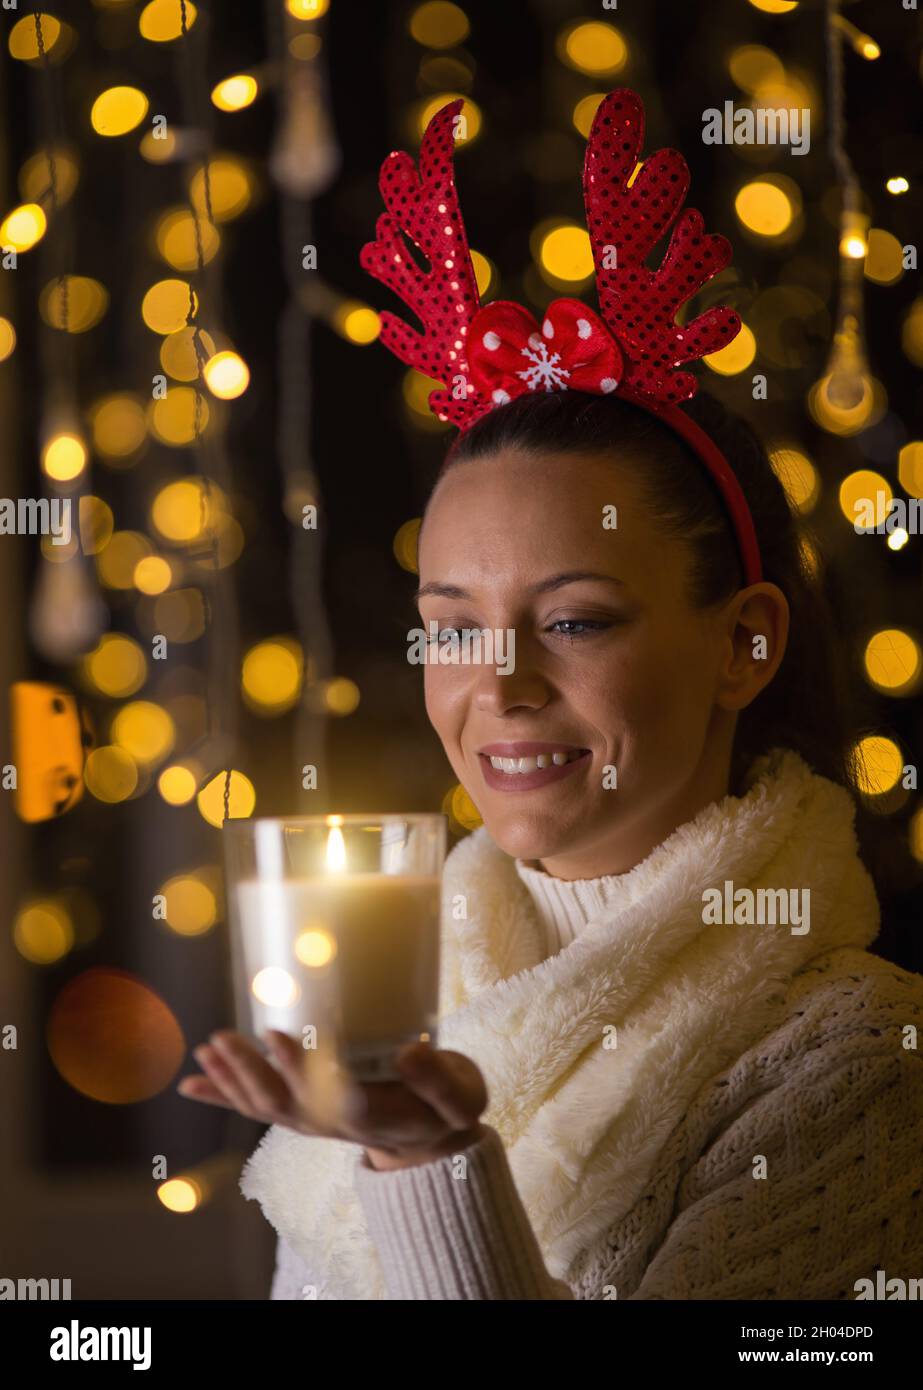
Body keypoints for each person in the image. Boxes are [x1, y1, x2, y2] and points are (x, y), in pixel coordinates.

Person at [177, 89, 923, 1299]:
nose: (501, 686)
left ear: (743, 644)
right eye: (452, 630)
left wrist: (431, 1174)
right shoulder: (391, 1018)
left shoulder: (856, 1063)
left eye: (572, 621)